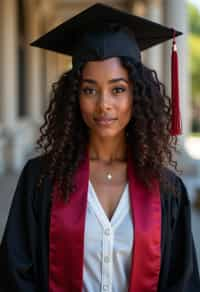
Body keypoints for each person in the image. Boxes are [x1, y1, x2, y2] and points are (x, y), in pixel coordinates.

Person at [0, 3, 199, 292]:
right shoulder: (40, 179)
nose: (103, 103)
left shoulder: (167, 189)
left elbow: (181, 283)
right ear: (73, 96)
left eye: (118, 89)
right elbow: (14, 276)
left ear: (137, 95)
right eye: (89, 89)